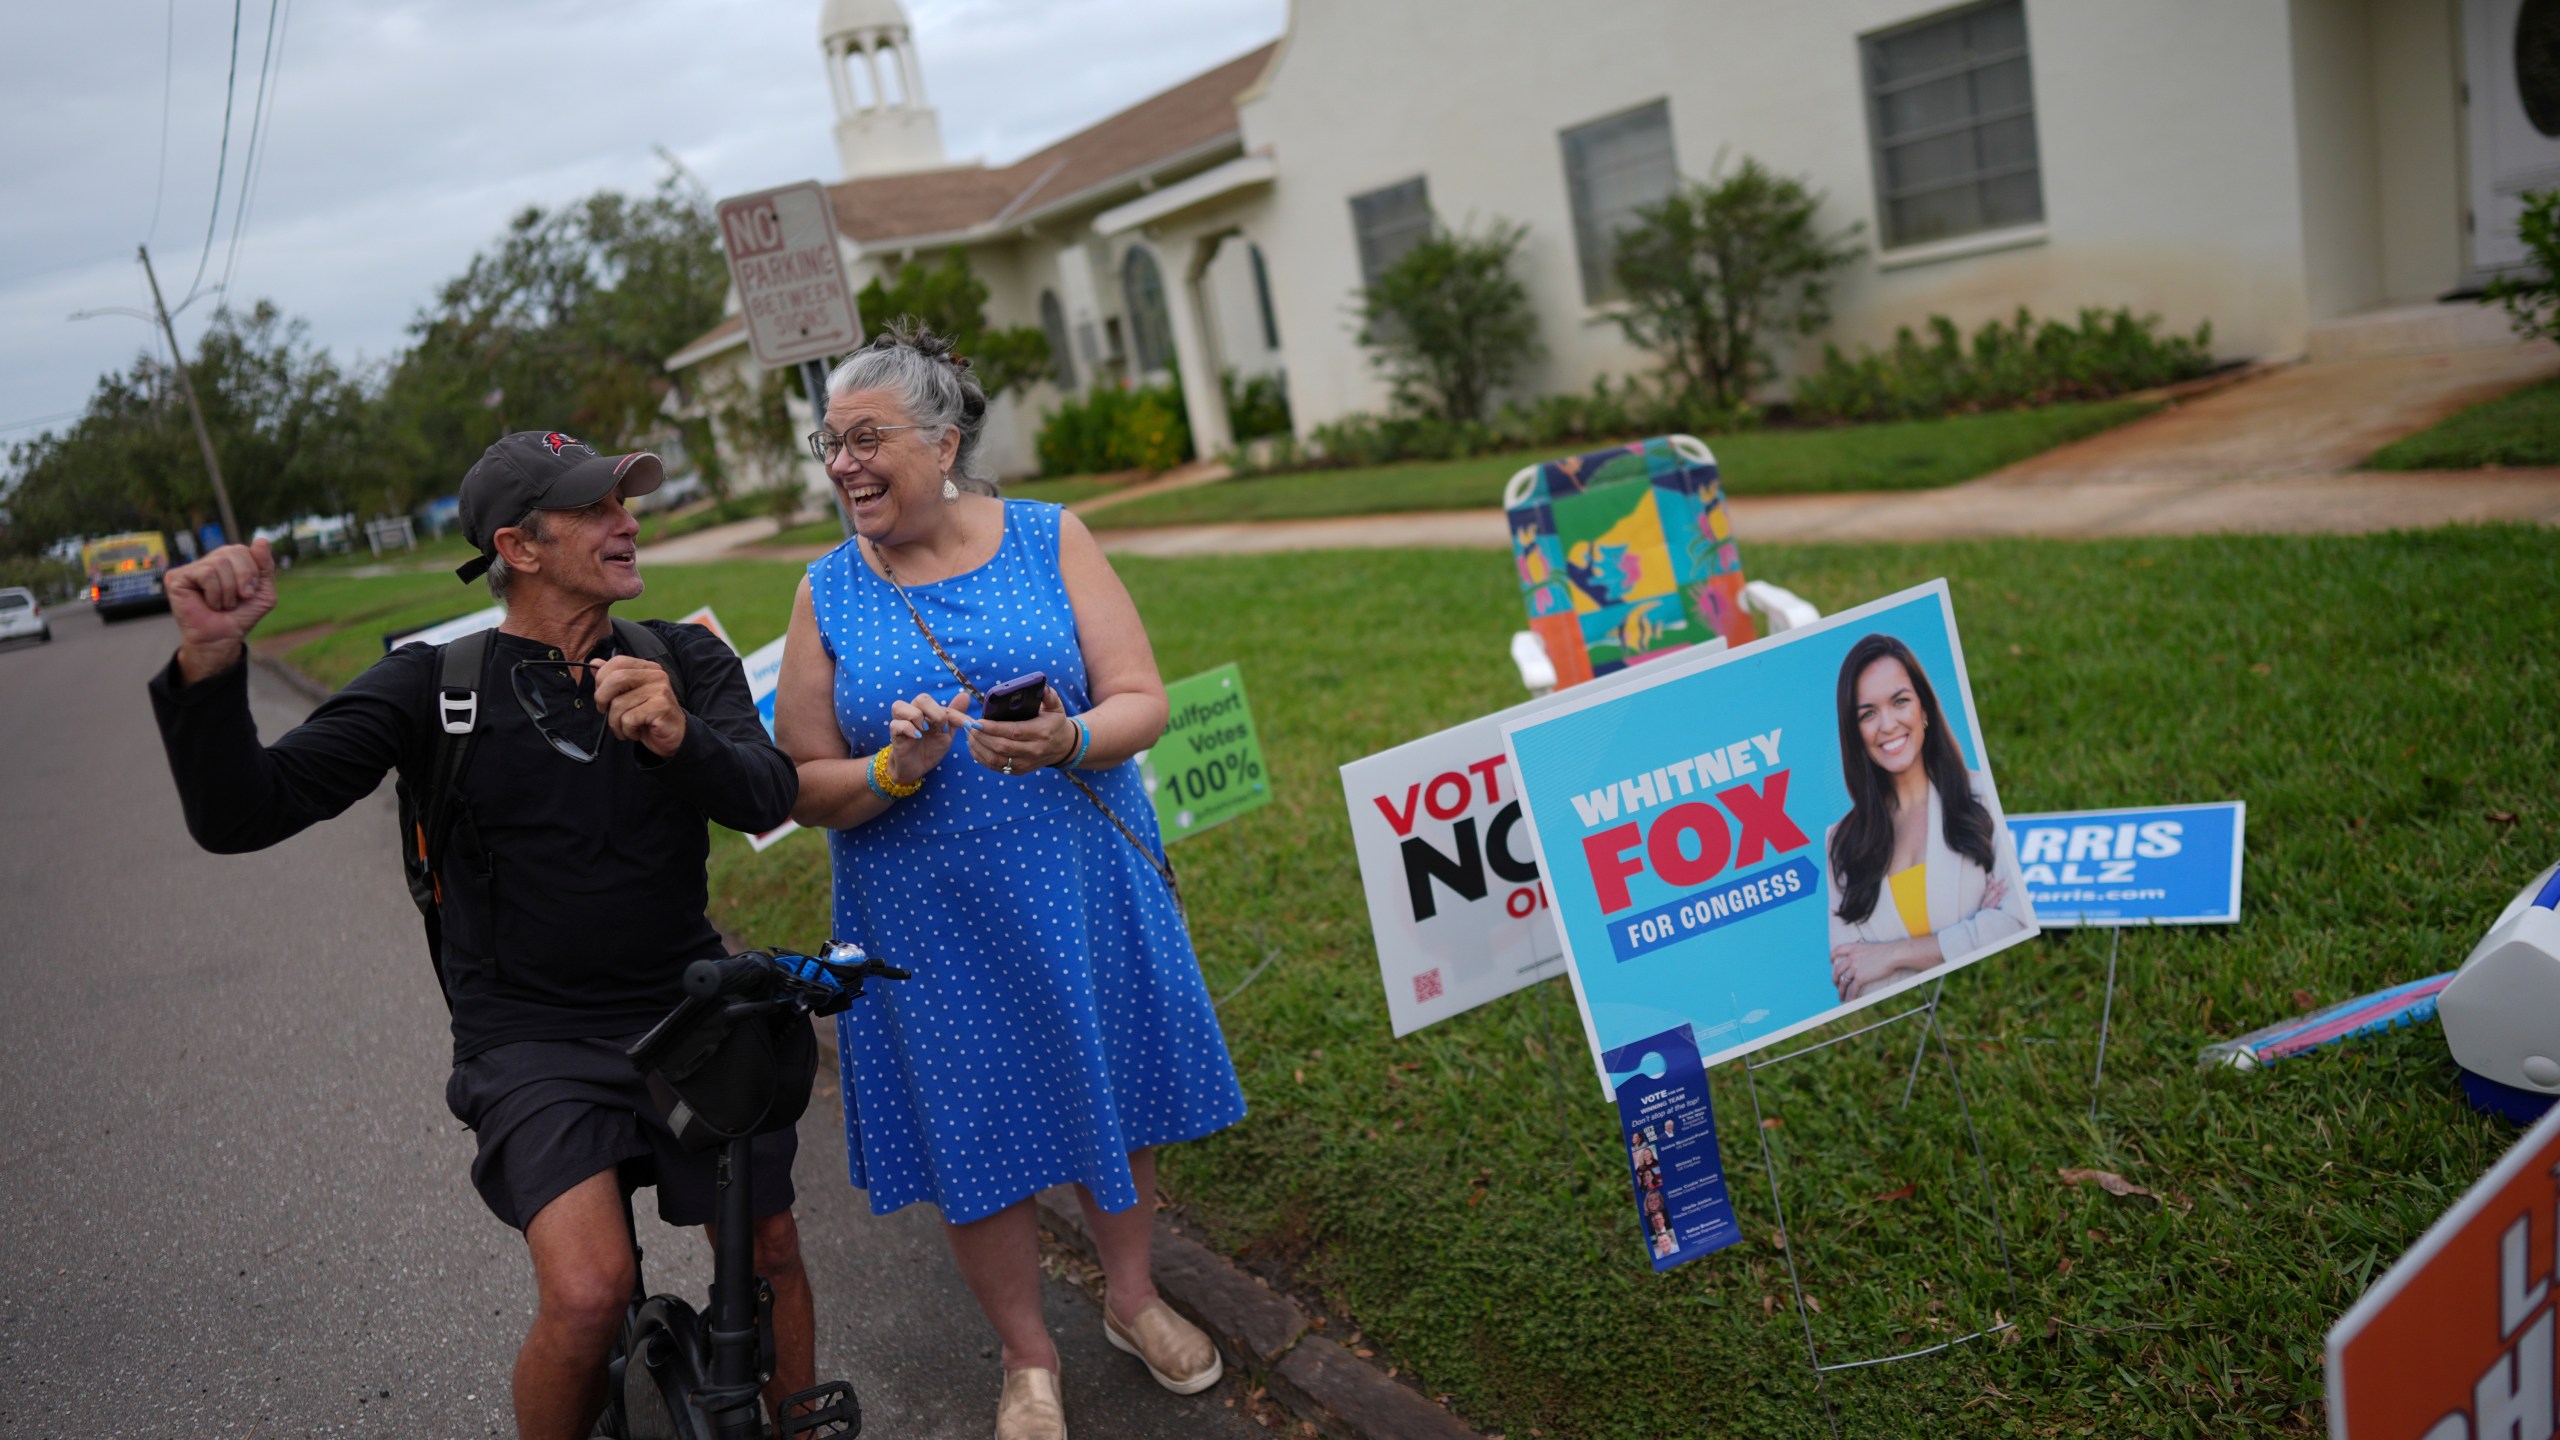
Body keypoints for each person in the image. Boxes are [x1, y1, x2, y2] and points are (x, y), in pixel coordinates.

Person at [147, 432, 806, 1440]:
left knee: (768, 1248)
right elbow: (244, 813)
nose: (626, 521)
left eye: (625, 501)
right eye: (595, 509)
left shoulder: (682, 656)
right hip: (531, 1037)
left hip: (690, 1009)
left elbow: (770, 792)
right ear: (521, 545)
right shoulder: (433, 686)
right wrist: (209, 655)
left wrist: (684, 740)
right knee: (589, 1294)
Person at [772, 323, 1247, 1440]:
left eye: (865, 438)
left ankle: (1132, 1302)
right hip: (922, 908)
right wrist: (893, 766)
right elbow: (796, 781)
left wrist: (1071, 738)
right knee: (972, 1121)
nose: (842, 463)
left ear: (941, 443)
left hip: (1075, 884)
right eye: (828, 443)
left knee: (1109, 1079)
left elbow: (1142, 697)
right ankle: (1028, 1358)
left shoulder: (1049, 537)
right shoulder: (825, 590)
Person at [1823, 633, 2031, 1002]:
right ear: (1853, 732)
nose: (1887, 725)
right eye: (1868, 713)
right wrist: (1971, 931)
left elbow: (2016, 922)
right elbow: (1853, 980)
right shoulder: (1841, 840)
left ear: (1924, 709)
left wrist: (1891, 955)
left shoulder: (1980, 797)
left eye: (1900, 701)